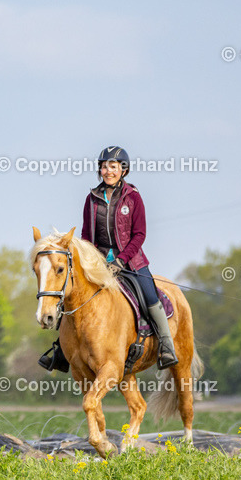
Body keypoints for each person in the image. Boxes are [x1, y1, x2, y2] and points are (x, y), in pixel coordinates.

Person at [38, 145, 177, 371]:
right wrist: (93, 260)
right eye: (104, 167)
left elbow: (139, 234)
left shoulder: (133, 197)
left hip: (132, 262)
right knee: (72, 295)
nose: (108, 171)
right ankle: (61, 350)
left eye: (113, 166)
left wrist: (121, 260)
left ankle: (166, 345)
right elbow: (86, 236)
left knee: (151, 296)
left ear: (123, 170)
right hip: (99, 263)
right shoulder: (91, 198)